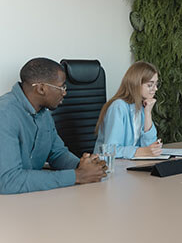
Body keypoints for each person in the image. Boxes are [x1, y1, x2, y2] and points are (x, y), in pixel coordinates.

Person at [0, 58, 107, 194]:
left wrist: (83, 166)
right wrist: (77, 175)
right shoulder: (4, 114)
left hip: (31, 199)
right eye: (61, 87)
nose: (65, 93)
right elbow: (9, 181)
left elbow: (57, 153)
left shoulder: (44, 113)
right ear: (41, 89)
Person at [94, 61, 162, 159]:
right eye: (150, 85)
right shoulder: (118, 107)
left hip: (129, 165)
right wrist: (141, 151)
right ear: (136, 84)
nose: (155, 89)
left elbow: (150, 147)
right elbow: (109, 150)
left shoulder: (142, 106)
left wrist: (148, 113)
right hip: (109, 167)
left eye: (156, 84)